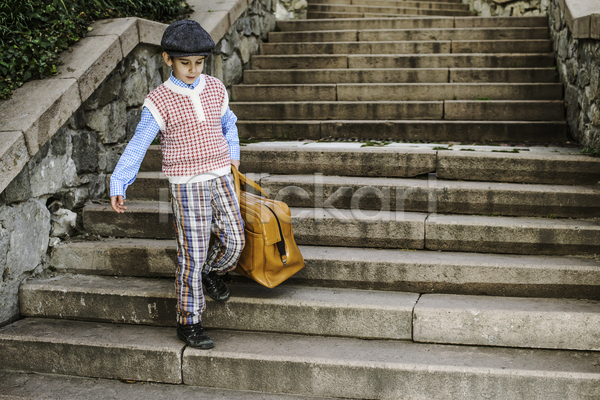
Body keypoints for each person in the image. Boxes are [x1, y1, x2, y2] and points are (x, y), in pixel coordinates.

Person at [109, 20, 245, 350]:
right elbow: (139, 143)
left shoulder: (215, 88)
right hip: (186, 185)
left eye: (199, 62)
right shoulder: (159, 100)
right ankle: (189, 321)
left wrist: (234, 154)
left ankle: (211, 271)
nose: (193, 70)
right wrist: (119, 181)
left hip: (221, 176)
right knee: (191, 255)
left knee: (236, 240)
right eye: (186, 63)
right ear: (168, 59)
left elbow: (229, 124)